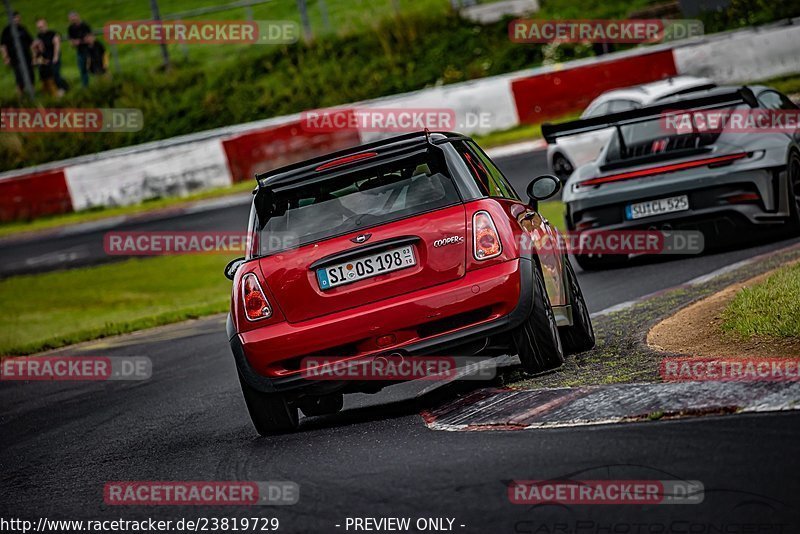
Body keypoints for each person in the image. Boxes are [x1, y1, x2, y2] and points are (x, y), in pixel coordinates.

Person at [0, 11, 34, 95]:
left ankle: (32, 94)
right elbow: (3, 46)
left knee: (30, 74)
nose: (17, 20)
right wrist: (6, 57)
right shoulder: (6, 30)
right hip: (14, 57)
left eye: (18, 18)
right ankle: (20, 94)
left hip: (26, 56)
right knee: (19, 76)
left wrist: (34, 55)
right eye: (15, 18)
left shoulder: (22, 28)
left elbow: (31, 42)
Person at [34, 18, 69, 97]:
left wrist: (55, 57)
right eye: (39, 27)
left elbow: (57, 45)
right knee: (45, 76)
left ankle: (64, 88)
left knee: (56, 74)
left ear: (45, 25)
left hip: (53, 58)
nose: (40, 28)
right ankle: (48, 92)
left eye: (41, 26)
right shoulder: (39, 36)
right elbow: (38, 49)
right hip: (44, 60)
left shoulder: (52, 34)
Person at [67, 11, 91, 87]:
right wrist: (74, 43)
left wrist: (79, 41)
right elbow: (71, 42)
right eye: (71, 19)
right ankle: (86, 87)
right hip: (80, 51)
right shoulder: (71, 28)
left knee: (95, 68)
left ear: (77, 16)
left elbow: (90, 38)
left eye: (74, 18)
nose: (73, 20)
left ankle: (102, 83)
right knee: (82, 70)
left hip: (89, 50)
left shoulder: (85, 25)